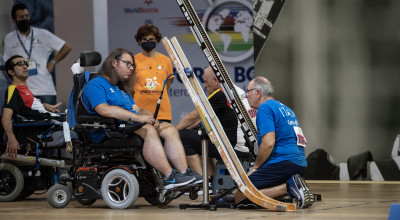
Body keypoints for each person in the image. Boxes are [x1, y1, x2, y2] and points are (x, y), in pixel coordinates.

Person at [82, 48, 202, 190]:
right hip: (110, 131)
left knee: (169, 129)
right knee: (148, 130)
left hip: (128, 126)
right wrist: (138, 118)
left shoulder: (121, 89)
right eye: (128, 64)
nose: (131, 69)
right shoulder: (96, 84)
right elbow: (104, 109)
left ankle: (183, 174)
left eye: (132, 66)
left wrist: (150, 116)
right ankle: (170, 177)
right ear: (114, 62)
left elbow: (137, 108)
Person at [233, 77, 315, 209]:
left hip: (283, 163)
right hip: (299, 163)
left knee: (240, 197)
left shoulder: (265, 108)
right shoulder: (286, 109)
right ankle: (293, 185)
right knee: (266, 193)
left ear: (258, 93)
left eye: (248, 91)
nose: (246, 96)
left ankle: (289, 186)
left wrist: (256, 167)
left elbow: (268, 142)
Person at [177, 66, 248, 177]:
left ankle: (200, 180)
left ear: (215, 80)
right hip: (244, 146)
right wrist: (190, 128)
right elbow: (204, 118)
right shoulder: (236, 90)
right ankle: (210, 177)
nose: (205, 86)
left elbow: (194, 116)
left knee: (181, 136)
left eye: (206, 82)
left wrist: (175, 130)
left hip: (233, 147)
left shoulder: (221, 93)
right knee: (199, 133)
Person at [3, 3, 71, 105]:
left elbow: (66, 47)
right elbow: (7, 62)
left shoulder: (42, 34)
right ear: (14, 20)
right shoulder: (9, 38)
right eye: (21, 17)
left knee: (50, 119)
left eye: (27, 16)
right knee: (26, 120)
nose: (25, 19)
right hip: (22, 90)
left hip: (45, 89)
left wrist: (52, 62)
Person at [2, 55, 62, 158]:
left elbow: (27, 109)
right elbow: (6, 118)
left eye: (26, 63)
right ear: (11, 72)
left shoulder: (25, 90)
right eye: (20, 64)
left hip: (47, 125)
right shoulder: (13, 89)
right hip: (39, 131)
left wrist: (44, 106)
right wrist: (11, 139)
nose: (25, 66)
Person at [131, 24, 174, 122]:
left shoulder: (166, 60)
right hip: (139, 112)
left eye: (151, 39)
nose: (148, 42)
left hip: (162, 113)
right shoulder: (133, 60)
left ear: (157, 40)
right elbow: (130, 88)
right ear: (139, 40)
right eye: (144, 39)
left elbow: (166, 86)